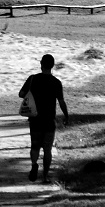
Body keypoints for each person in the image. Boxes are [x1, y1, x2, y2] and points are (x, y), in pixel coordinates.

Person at [19, 53, 69, 182]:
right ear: (52, 66)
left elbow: (21, 94)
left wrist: (32, 93)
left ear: (41, 64)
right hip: (49, 120)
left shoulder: (33, 79)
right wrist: (66, 115)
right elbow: (61, 102)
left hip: (35, 119)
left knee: (35, 146)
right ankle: (45, 176)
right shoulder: (56, 82)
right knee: (47, 149)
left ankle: (34, 164)